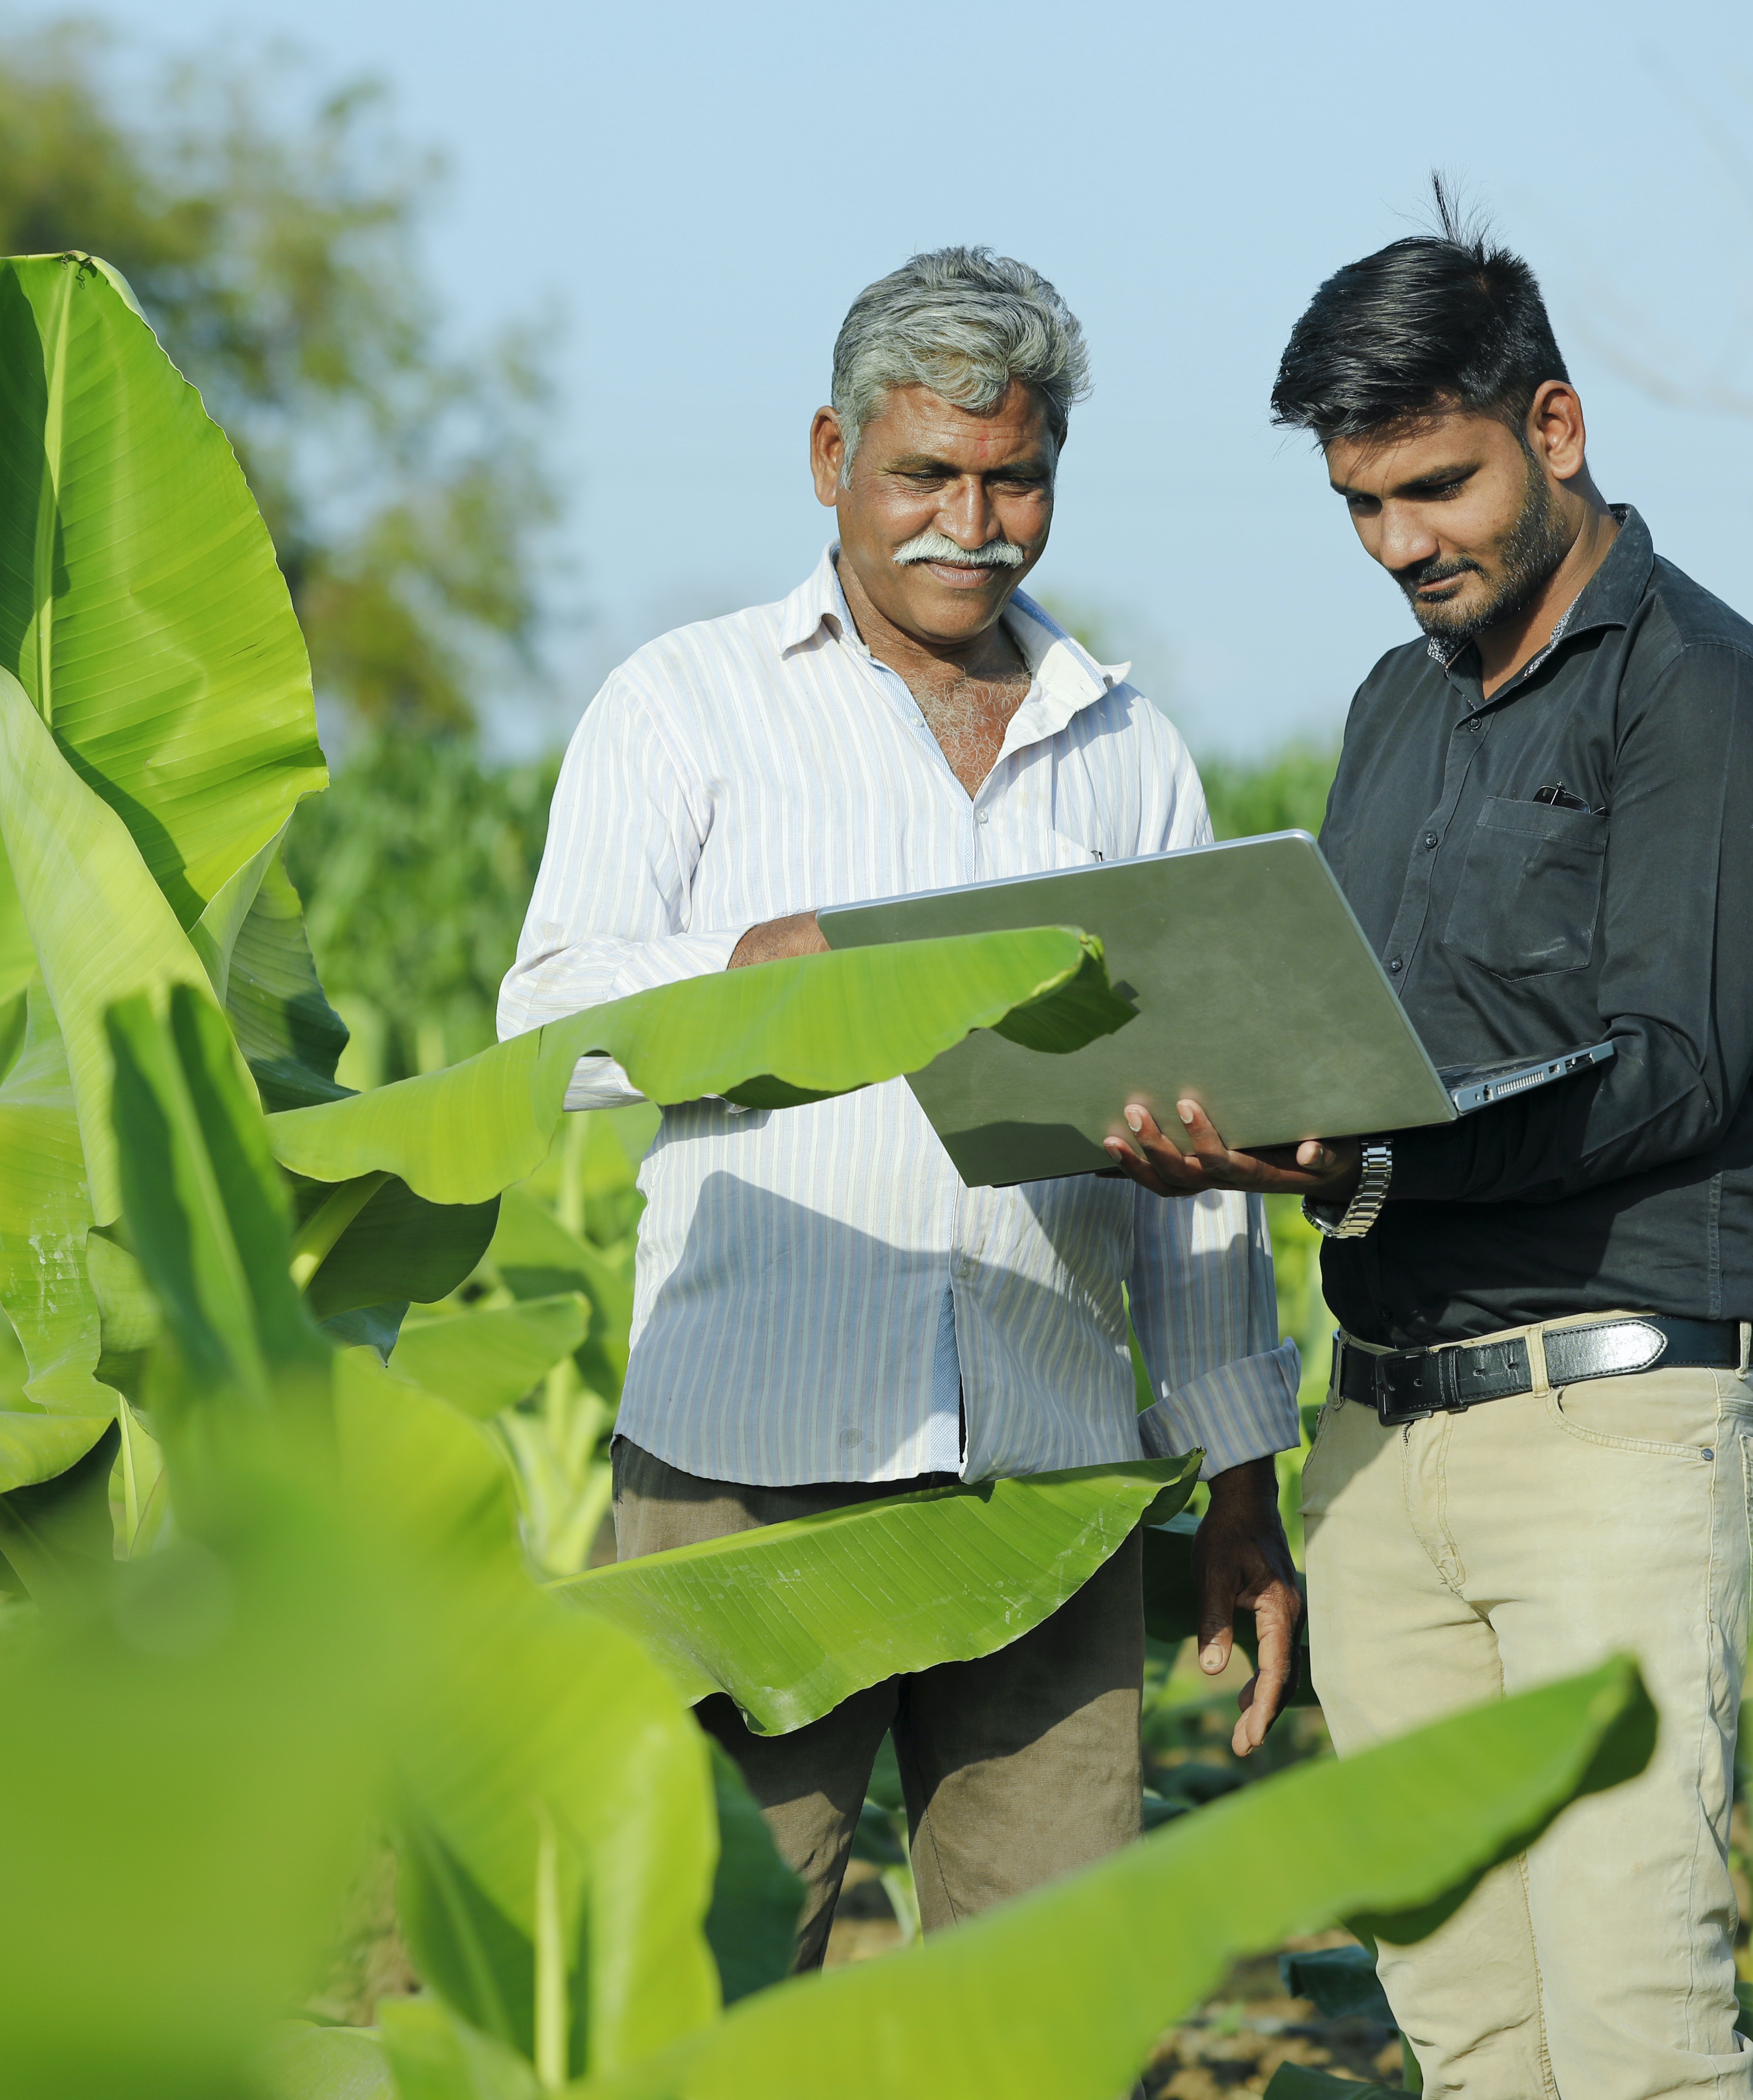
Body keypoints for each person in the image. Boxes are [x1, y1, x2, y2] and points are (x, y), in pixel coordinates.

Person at [1102, 195, 1753, 2100]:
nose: (1400, 545)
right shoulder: (1397, 707)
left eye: (1435, 488)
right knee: (1468, 2031)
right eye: (1361, 506)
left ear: (1558, 428)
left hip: (1611, 1429)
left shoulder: (1708, 695)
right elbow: (1363, 1037)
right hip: (1381, 1440)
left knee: (1637, 2024)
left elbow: (1671, 1070)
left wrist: (1352, 1159)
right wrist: (1231, 1109)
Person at [499, 248, 1304, 1973]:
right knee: (706, 1980)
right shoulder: (686, 704)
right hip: (749, 1474)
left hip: (1053, 1473)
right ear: (830, 461)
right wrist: (754, 966)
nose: (973, 519)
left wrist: (1242, 1475)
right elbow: (545, 1031)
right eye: (926, 473)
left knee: (1049, 2000)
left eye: (1014, 477)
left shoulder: (1127, 747)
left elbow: (1206, 1161)